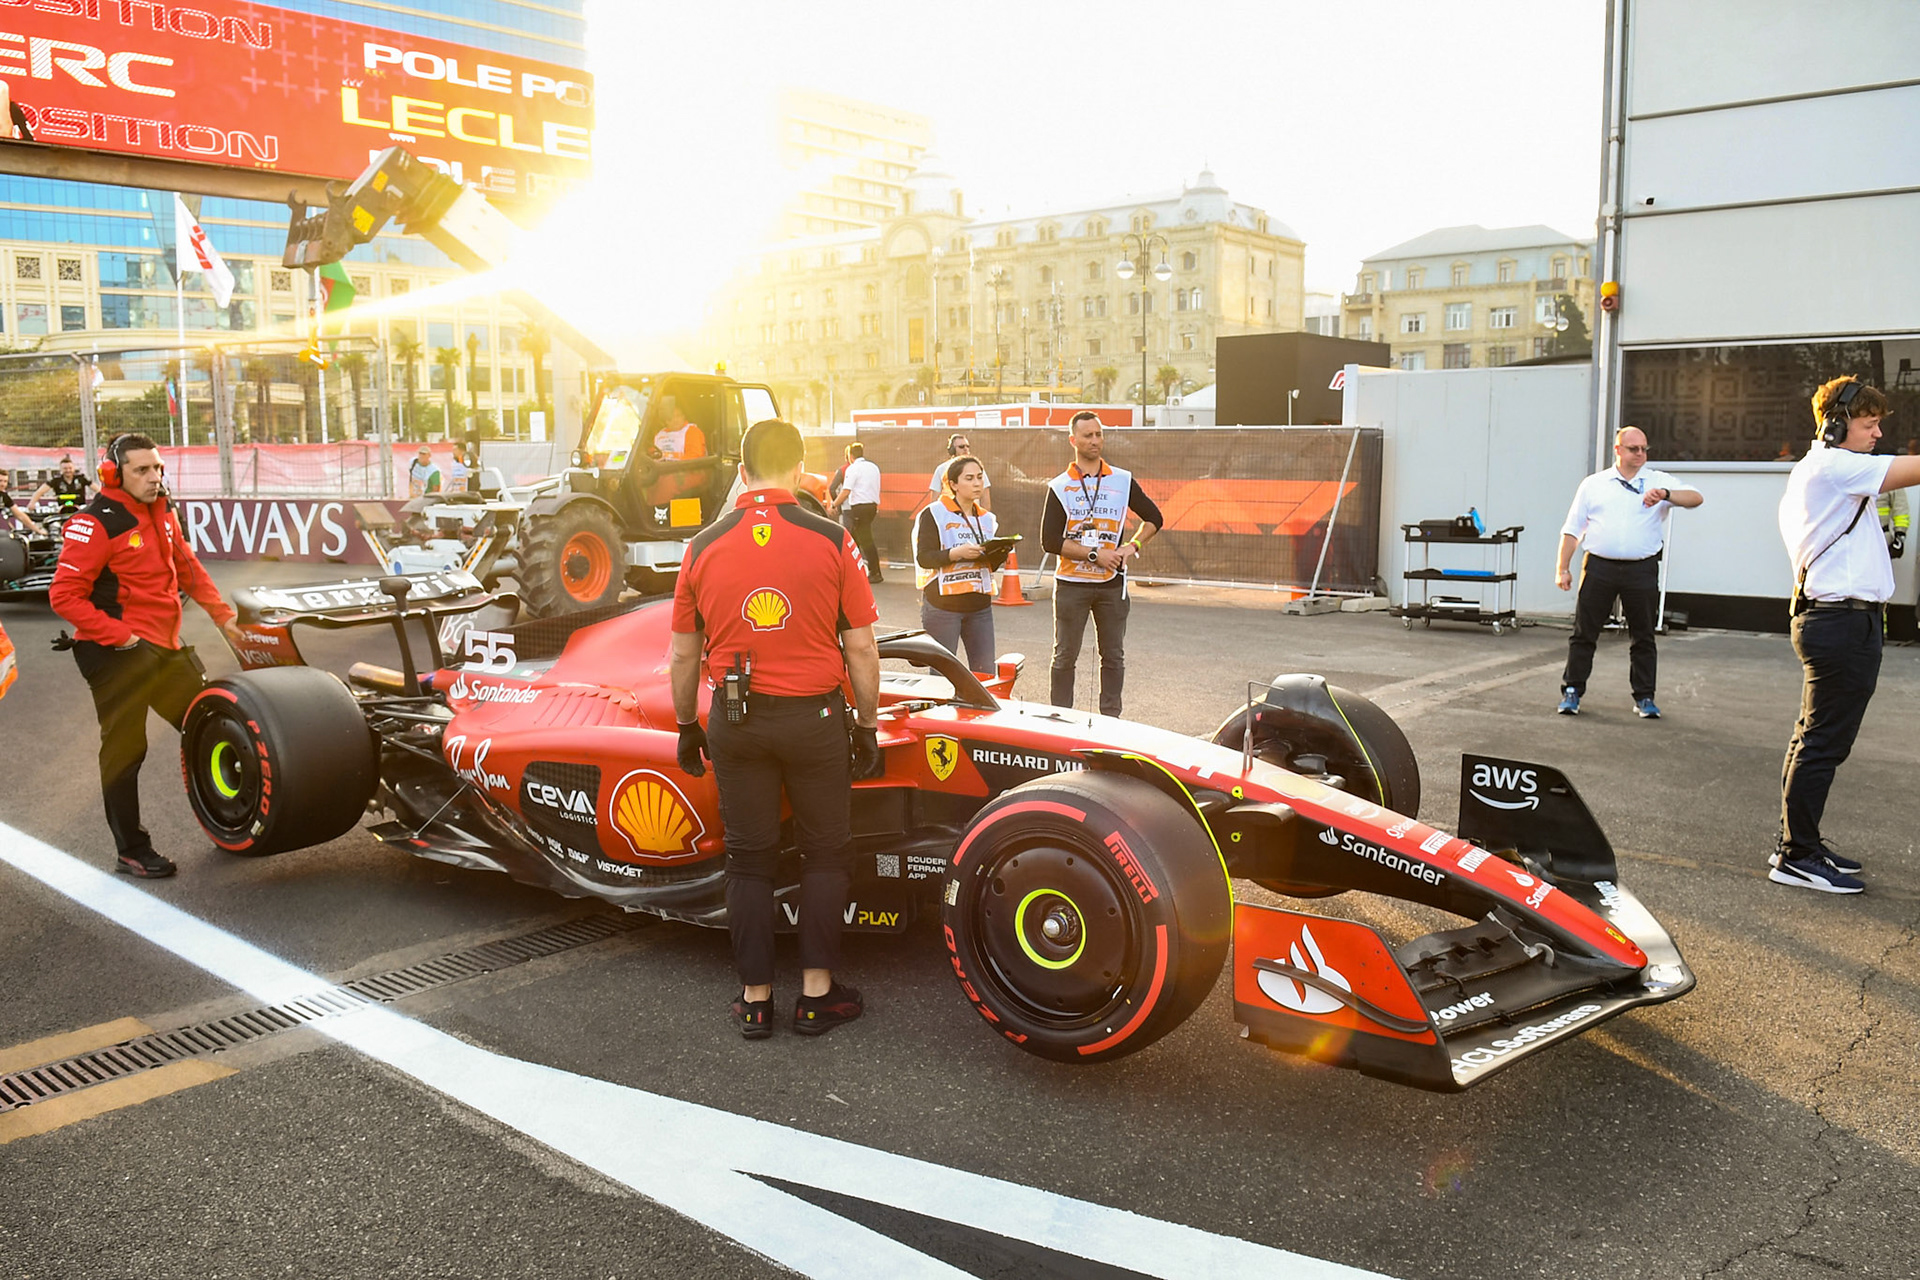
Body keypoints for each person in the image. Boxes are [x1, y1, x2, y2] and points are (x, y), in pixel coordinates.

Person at [669, 418, 882, 1038]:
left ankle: (755, 1000)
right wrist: (866, 726)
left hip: (735, 722)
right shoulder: (832, 538)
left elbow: (684, 655)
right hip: (815, 719)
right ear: (799, 469)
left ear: (740, 472)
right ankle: (817, 995)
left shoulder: (701, 546)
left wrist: (687, 724)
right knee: (825, 855)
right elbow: (863, 647)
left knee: (749, 862)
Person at [48, 434, 246, 879]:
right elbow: (64, 596)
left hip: (164, 648)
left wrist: (223, 616)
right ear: (114, 475)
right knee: (126, 749)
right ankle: (131, 849)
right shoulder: (94, 523)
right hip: (113, 651)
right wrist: (120, 636)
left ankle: (237, 819)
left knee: (209, 728)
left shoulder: (164, 511)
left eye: (157, 468)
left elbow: (189, 568)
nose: (154, 477)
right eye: (142, 470)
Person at [1772, 377, 1920, 894]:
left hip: (1838, 620)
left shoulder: (1829, 469)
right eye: (1869, 423)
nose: (1879, 433)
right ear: (1835, 425)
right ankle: (1797, 855)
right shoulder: (1835, 467)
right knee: (1822, 742)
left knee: (1814, 738)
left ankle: (1798, 843)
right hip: (1839, 622)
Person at [1553, 426, 1704, 718]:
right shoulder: (1594, 484)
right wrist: (1562, 568)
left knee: (1643, 635)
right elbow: (1572, 530)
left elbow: (1696, 498)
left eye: (1645, 449)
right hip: (1599, 567)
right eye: (1634, 449)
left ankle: (1645, 697)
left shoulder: (1657, 480)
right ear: (1618, 450)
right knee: (1584, 633)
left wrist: (1666, 495)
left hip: (1641, 569)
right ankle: (1572, 691)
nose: (1640, 455)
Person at [1040, 410, 1162, 717]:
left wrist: (1130, 547)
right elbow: (1050, 541)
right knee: (1065, 655)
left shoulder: (1122, 480)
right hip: (1072, 584)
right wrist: (1094, 554)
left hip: (1111, 585)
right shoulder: (1059, 486)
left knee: (1113, 656)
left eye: (1098, 435)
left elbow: (1154, 519)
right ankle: (1060, 718)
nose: (1095, 441)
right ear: (1073, 440)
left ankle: (1111, 718)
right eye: (1087, 436)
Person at [915, 456, 998, 672]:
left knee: (986, 673)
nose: (977, 483)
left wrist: (999, 553)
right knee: (942, 675)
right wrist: (955, 554)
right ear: (953, 485)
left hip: (979, 606)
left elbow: (991, 566)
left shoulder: (987, 519)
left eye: (980, 477)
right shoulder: (934, 513)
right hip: (943, 606)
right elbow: (924, 558)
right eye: (969, 478)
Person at [828, 441, 883, 583]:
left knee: (865, 540)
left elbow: (845, 491)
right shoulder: (873, 467)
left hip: (859, 507)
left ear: (851, 456)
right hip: (872, 506)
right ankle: (857, 569)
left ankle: (875, 572)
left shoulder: (853, 469)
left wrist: (834, 505)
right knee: (858, 539)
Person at [925, 433, 991, 511]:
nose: (965, 449)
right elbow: (935, 499)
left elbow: (985, 497)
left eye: (967, 446)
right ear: (952, 450)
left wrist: (984, 518)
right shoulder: (941, 469)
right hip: (948, 516)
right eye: (961, 447)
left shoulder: (977, 468)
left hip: (972, 516)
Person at [649, 395, 707, 461]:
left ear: (683, 417)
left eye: (678, 416)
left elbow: (695, 457)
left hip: (683, 469)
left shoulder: (692, 432)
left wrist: (672, 465)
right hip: (661, 469)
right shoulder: (660, 434)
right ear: (666, 420)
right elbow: (652, 453)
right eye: (672, 417)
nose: (675, 420)